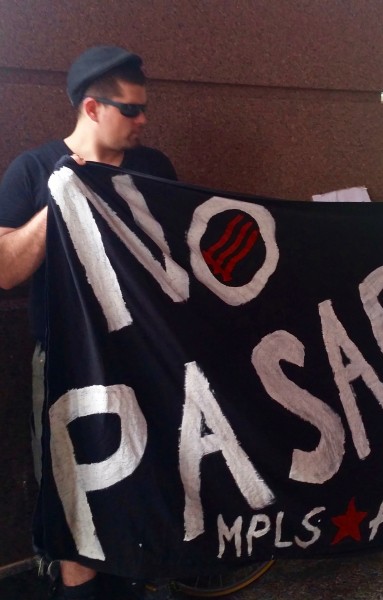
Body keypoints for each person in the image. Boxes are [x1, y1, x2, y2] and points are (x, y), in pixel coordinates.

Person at [0, 45, 177, 599]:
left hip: (143, 355)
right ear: (92, 108)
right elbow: (6, 270)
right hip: (67, 360)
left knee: (151, 482)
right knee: (73, 494)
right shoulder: (33, 168)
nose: (143, 120)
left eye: (145, 107)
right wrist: (57, 198)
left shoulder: (153, 168)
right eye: (131, 110)